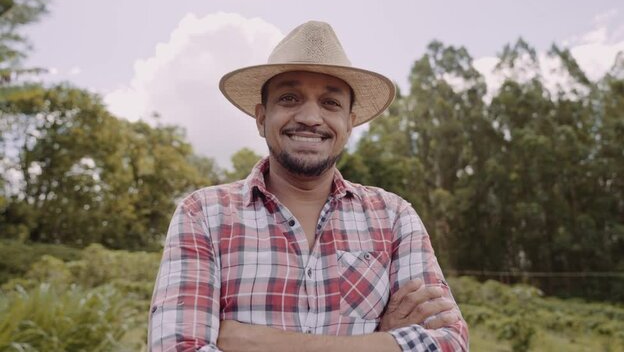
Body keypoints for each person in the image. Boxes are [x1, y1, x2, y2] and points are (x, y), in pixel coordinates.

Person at [148, 21, 469, 352]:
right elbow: (177, 347)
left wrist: (250, 340)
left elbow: (449, 342)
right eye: (289, 98)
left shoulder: (394, 217)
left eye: (330, 103)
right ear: (261, 118)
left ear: (350, 123)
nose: (311, 117)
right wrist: (380, 343)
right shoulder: (204, 215)